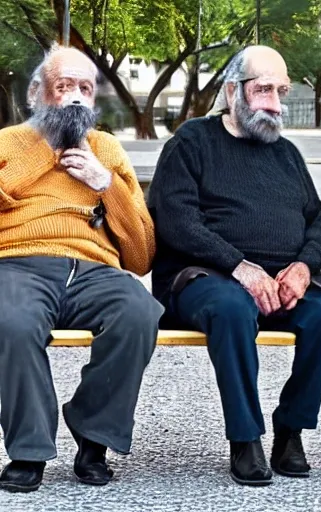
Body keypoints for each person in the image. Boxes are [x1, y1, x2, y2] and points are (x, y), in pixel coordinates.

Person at [149, 45, 321, 487]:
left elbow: (318, 219)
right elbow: (178, 222)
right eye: (264, 89)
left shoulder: (285, 153)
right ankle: (246, 437)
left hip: (283, 277)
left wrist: (304, 268)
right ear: (233, 92)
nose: (275, 102)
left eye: (282, 90)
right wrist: (240, 268)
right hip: (205, 276)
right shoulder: (191, 142)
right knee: (232, 309)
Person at [0, 44, 163, 493]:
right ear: (36, 93)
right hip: (19, 263)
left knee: (139, 311)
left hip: (94, 269)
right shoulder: (7, 143)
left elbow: (142, 253)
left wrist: (105, 184)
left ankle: (94, 436)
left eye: (84, 88)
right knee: (10, 321)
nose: (75, 98)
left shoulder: (106, 148)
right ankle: (28, 451)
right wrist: (46, 153)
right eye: (63, 86)